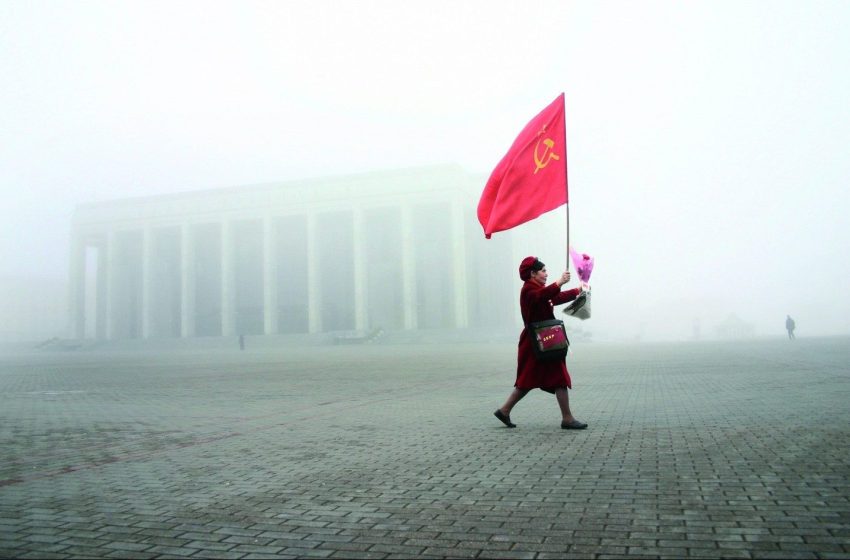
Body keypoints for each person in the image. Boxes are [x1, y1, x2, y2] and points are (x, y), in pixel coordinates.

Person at [494, 256, 588, 430]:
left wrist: (577, 290)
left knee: (528, 380)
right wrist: (559, 282)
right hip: (537, 340)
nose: (546, 274)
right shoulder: (529, 290)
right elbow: (542, 296)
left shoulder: (539, 289)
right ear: (532, 273)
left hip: (541, 340)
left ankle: (504, 410)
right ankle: (567, 418)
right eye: (543, 271)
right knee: (557, 377)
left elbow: (554, 298)